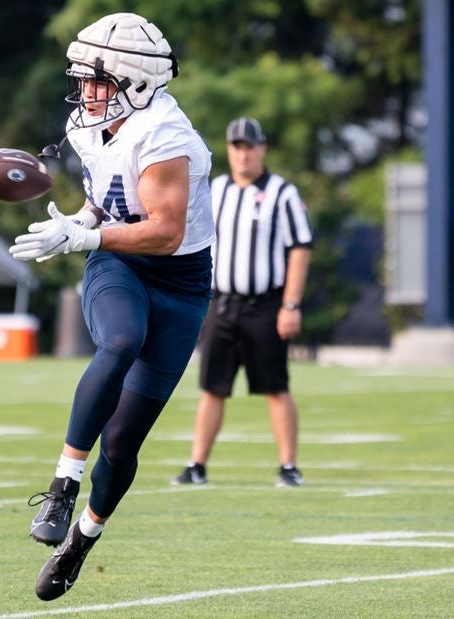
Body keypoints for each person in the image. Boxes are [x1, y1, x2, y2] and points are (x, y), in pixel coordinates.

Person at [7, 12, 214, 601]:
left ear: (140, 85)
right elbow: (107, 200)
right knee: (119, 342)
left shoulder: (166, 138)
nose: (86, 94)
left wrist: (85, 236)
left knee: (123, 443)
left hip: (178, 281)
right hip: (121, 265)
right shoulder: (87, 122)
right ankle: (61, 484)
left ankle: (82, 541)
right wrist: (81, 220)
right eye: (84, 80)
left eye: (99, 82)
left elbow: (165, 232)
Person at [172, 117, 312, 488]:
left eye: (250, 146)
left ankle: (288, 466)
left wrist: (291, 305)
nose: (243, 153)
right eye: (237, 146)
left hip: (265, 305)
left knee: (276, 387)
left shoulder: (282, 193)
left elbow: (299, 249)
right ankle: (197, 464)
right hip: (222, 303)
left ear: (262, 148)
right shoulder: (215, 189)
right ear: (229, 150)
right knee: (212, 387)